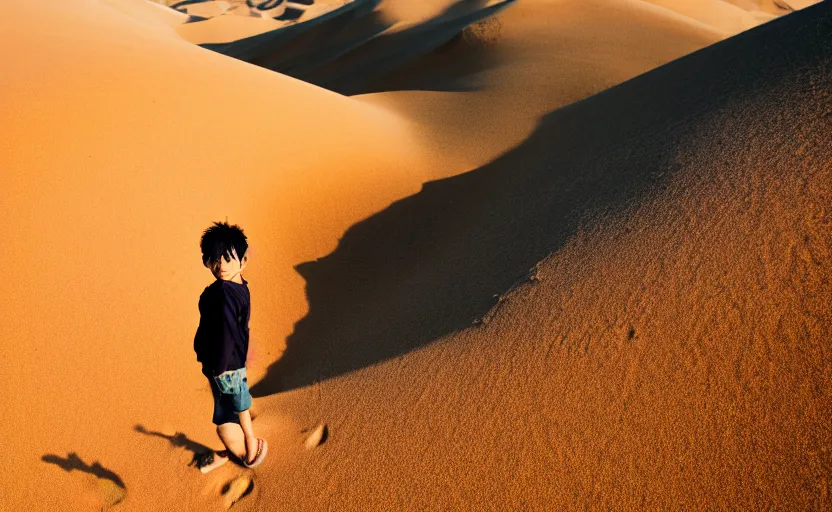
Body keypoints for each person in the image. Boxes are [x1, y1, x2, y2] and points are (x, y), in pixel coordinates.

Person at [191, 221, 267, 473]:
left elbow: (227, 333)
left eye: (227, 258)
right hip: (221, 362)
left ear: (242, 261)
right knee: (229, 405)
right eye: (215, 259)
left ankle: (250, 445)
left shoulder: (224, 295)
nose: (221, 265)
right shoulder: (236, 287)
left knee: (238, 402)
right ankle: (236, 445)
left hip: (225, 365)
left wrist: (221, 368)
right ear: (205, 262)